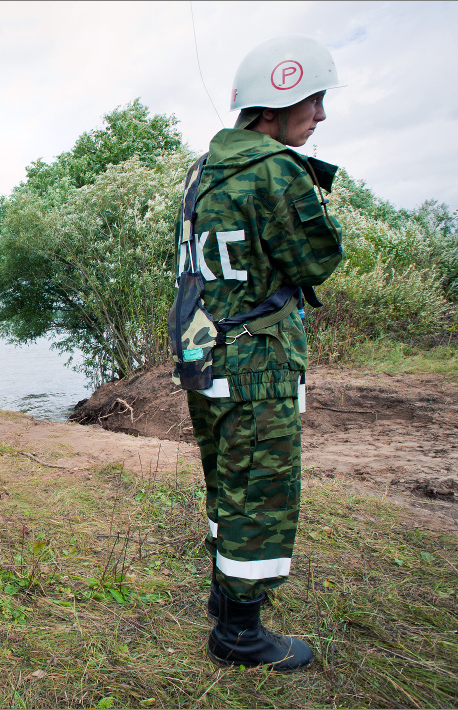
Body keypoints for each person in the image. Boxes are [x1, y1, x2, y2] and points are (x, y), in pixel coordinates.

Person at [177, 35, 345, 671]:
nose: (321, 116)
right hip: (255, 365)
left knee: (228, 486)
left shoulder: (201, 169)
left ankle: (227, 604)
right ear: (275, 105)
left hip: (206, 355)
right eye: (314, 101)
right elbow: (317, 259)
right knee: (261, 495)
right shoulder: (274, 170)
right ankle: (239, 636)